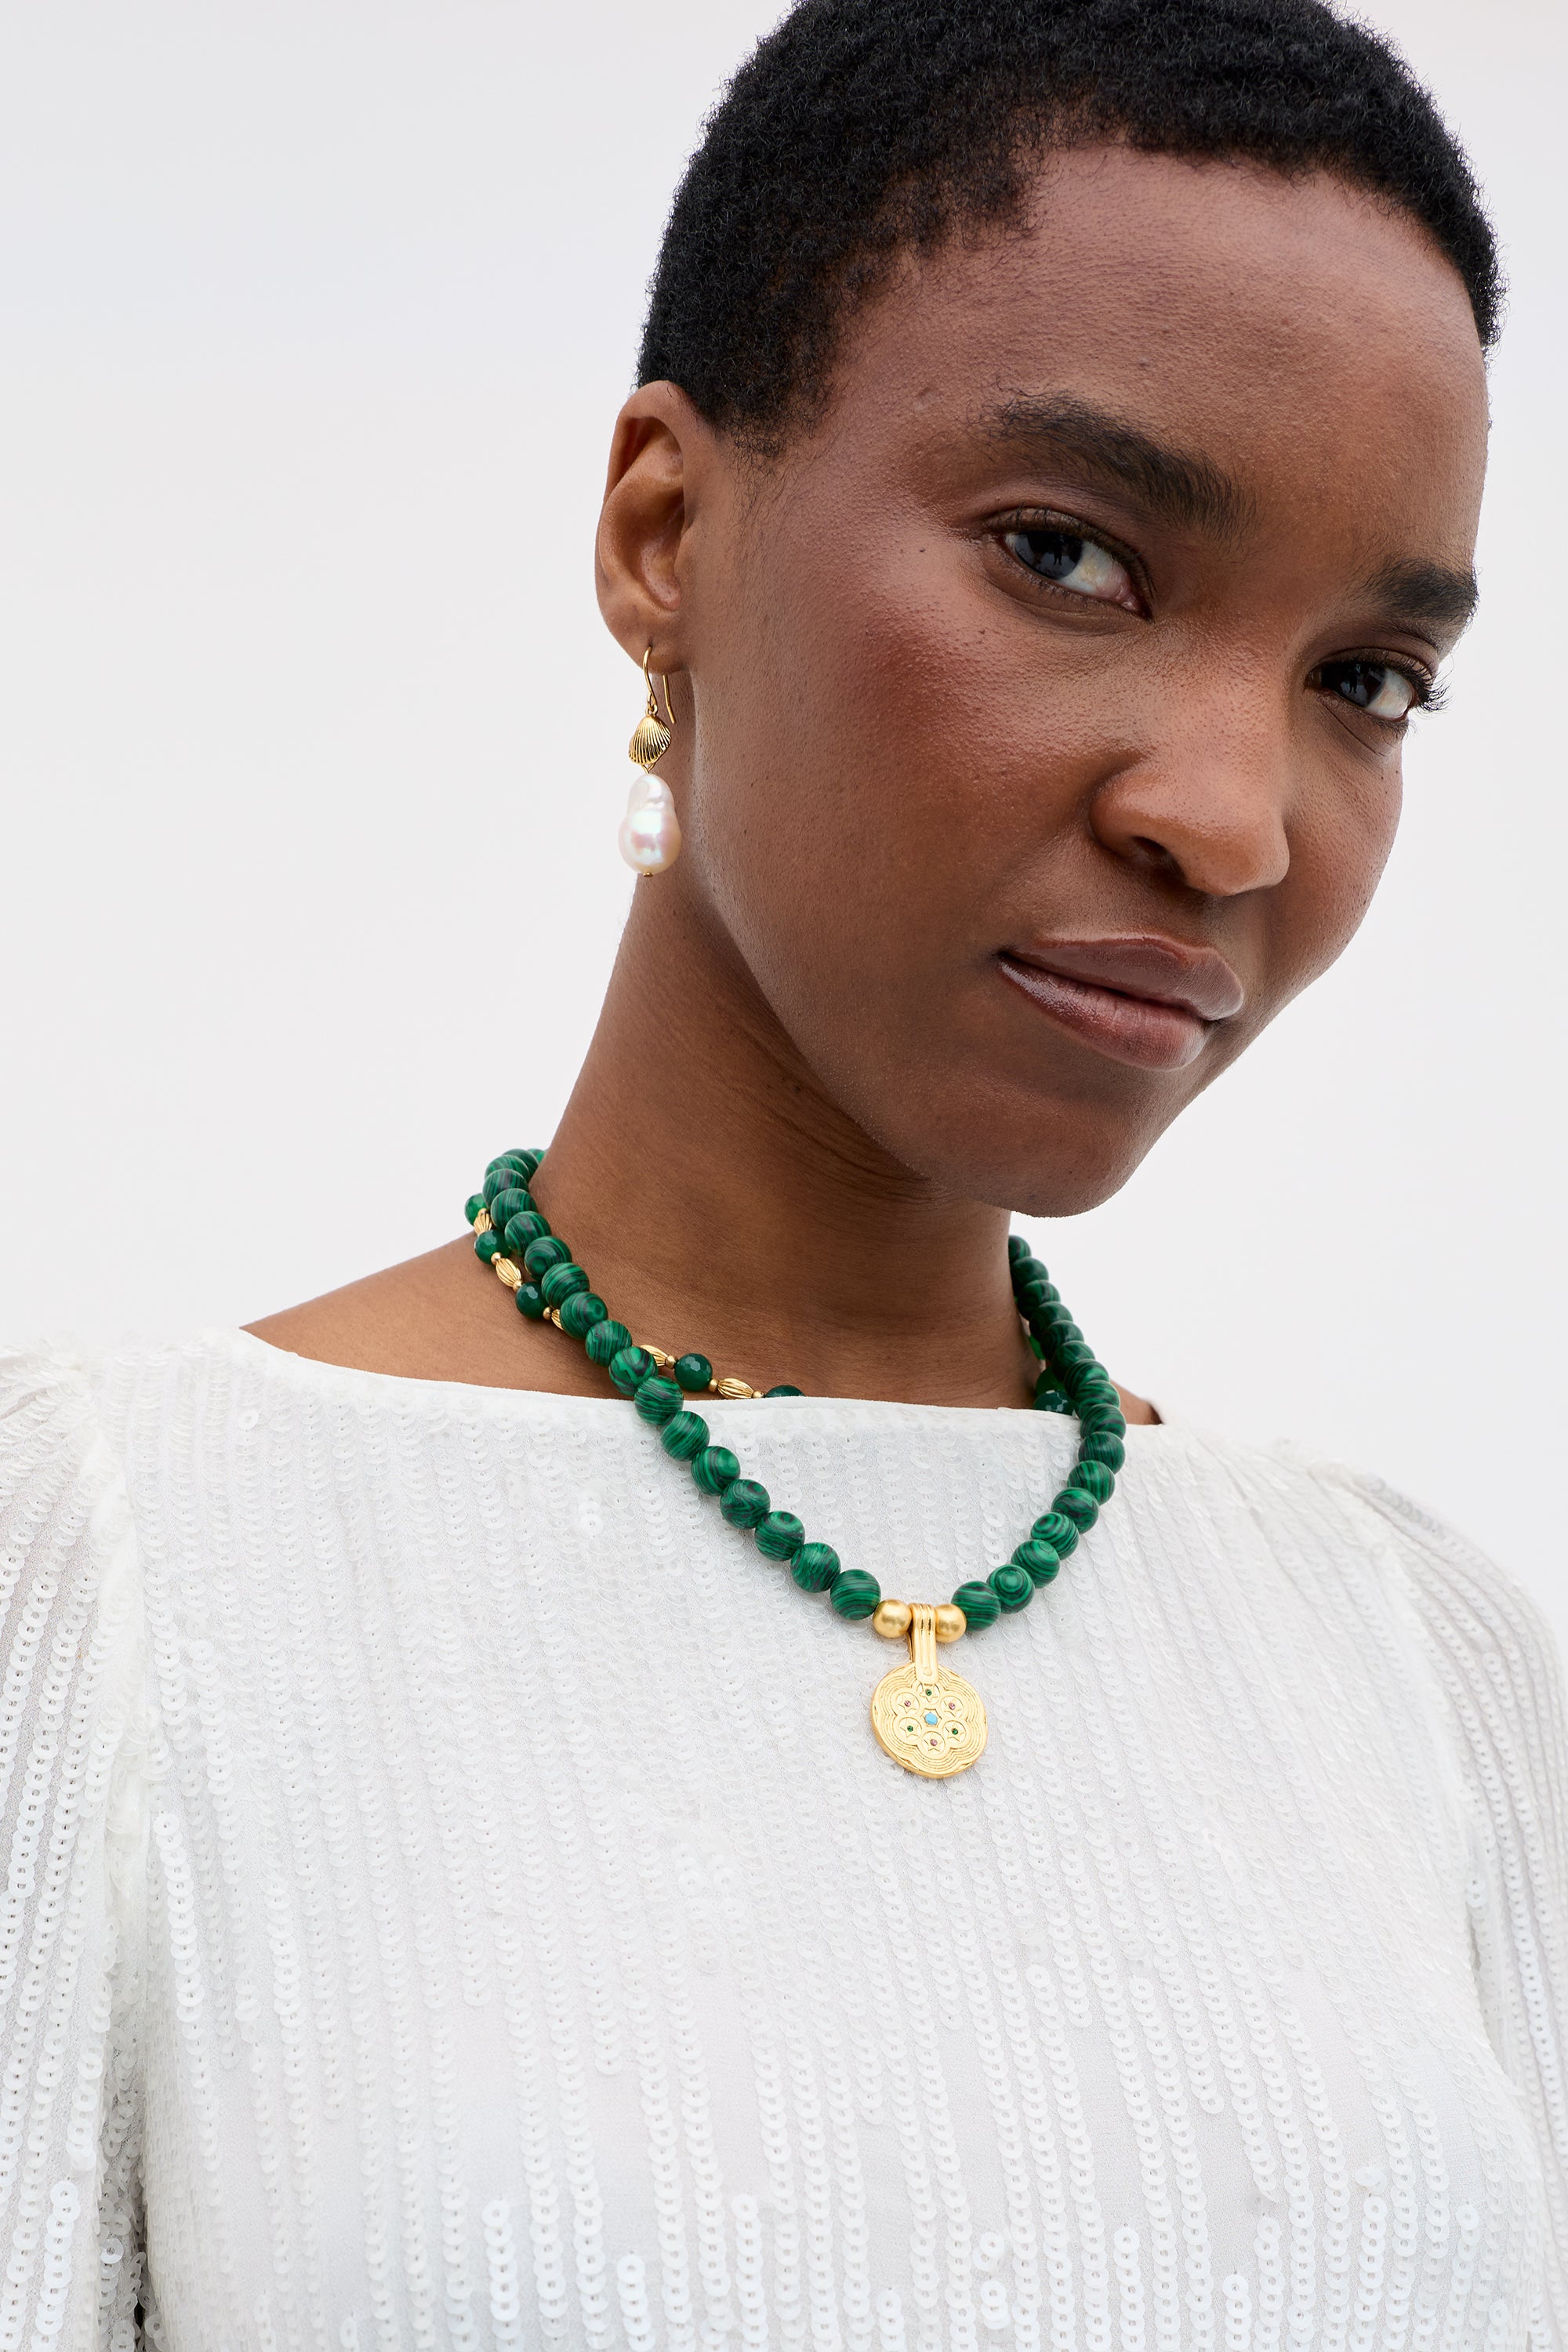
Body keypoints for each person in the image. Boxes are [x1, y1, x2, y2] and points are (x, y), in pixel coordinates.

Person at [2, 0, 1562, 2342]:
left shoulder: (1415, 1671)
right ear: (663, 535)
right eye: (1072, 556)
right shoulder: (110, 1592)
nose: (1231, 819)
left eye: (1366, 681)